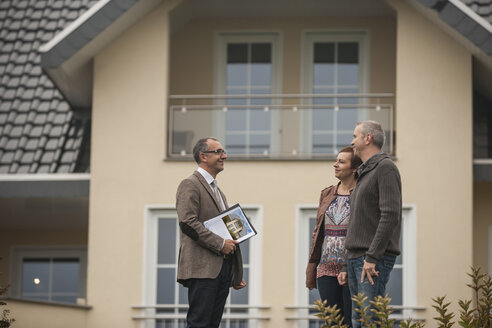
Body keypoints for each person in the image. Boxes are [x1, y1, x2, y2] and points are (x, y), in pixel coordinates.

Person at [176, 137, 247, 328]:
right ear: (203, 156)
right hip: (202, 269)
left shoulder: (219, 192)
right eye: (219, 152)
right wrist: (220, 244)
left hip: (222, 270)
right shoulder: (190, 184)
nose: (224, 156)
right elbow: (187, 223)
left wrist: (235, 272)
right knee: (199, 324)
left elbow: (225, 231)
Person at [338, 121, 402, 328]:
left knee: (370, 321)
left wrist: (372, 257)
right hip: (357, 258)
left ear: (368, 139)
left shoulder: (385, 168)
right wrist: (347, 262)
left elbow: (390, 215)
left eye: (355, 137)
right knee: (360, 321)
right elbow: (359, 222)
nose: (351, 142)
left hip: (372, 259)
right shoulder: (365, 172)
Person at [306, 146, 362, 326]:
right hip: (326, 268)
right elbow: (318, 232)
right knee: (332, 321)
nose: (335, 165)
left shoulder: (362, 194)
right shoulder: (327, 193)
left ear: (354, 168)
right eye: (336, 161)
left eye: (341, 162)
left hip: (352, 267)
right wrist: (312, 266)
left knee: (351, 321)